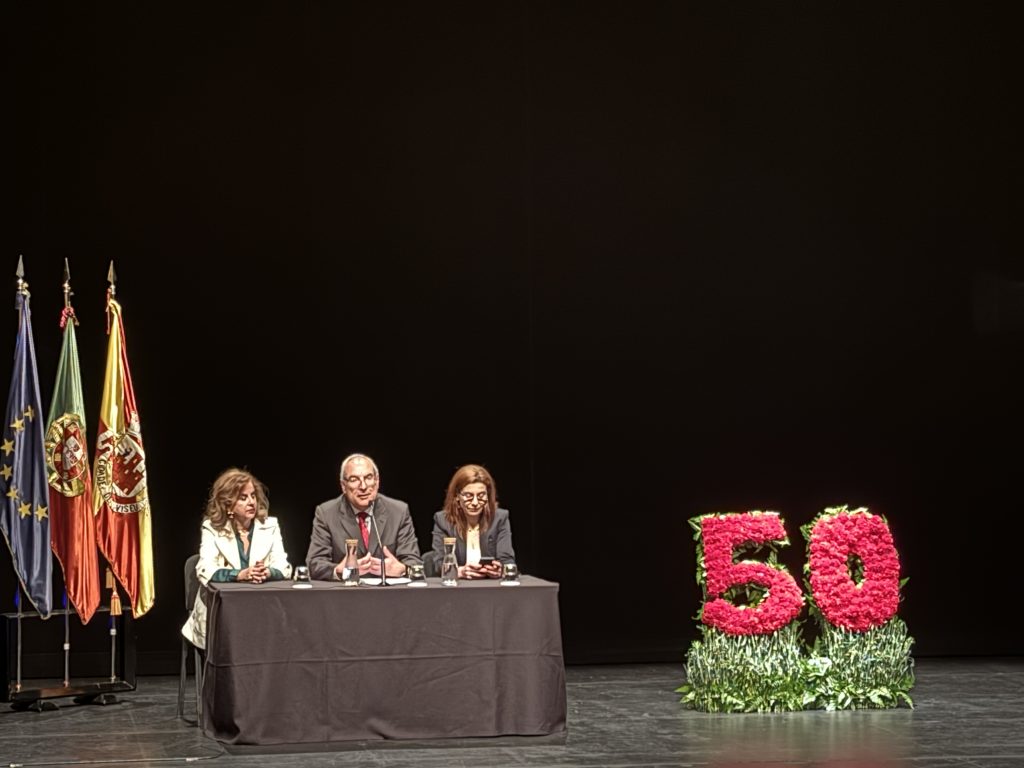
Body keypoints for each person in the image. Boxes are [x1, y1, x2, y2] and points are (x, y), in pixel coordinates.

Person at [181, 468, 292, 649]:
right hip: (222, 613)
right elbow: (204, 569)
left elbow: (284, 566)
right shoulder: (212, 528)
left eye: (253, 496)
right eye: (243, 498)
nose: (251, 502)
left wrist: (267, 572)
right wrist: (240, 574)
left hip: (262, 610)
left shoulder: (270, 525)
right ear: (228, 505)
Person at [305, 453, 421, 581]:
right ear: (343, 486)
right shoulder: (326, 513)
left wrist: (403, 569)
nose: (363, 486)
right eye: (354, 479)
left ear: (377, 481)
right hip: (344, 596)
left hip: (388, 596)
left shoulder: (398, 511)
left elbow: (415, 564)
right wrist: (339, 570)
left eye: (368, 478)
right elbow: (315, 564)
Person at [430, 464, 515, 579]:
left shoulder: (499, 518)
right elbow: (439, 563)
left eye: (481, 496)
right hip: (458, 589)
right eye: (469, 496)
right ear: (457, 496)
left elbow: (508, 561)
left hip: (491, 587)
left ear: (488, 496)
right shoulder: (443, 521)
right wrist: (459, 571)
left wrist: (500, 570)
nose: (475, 502)